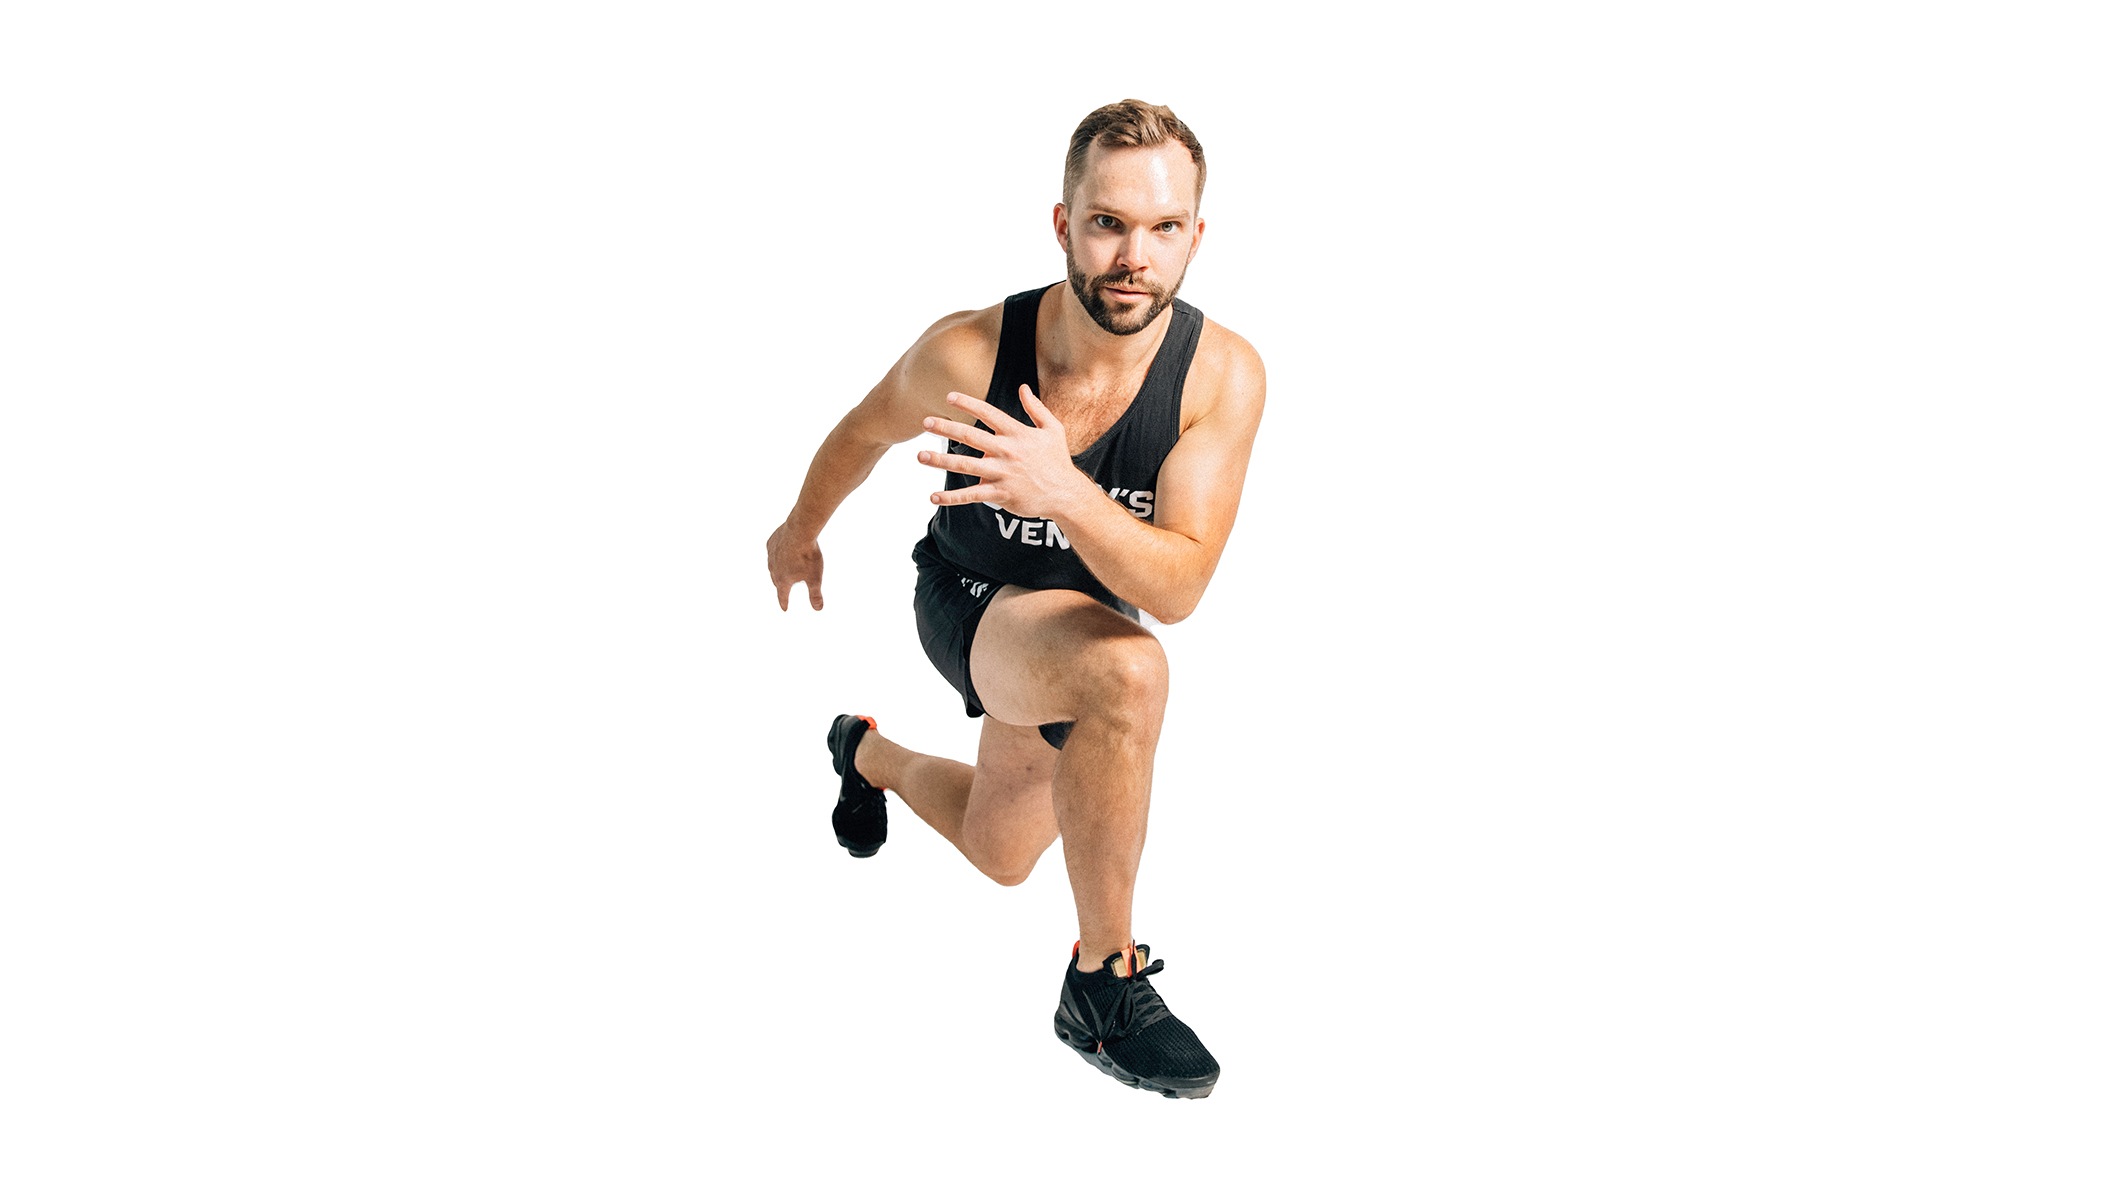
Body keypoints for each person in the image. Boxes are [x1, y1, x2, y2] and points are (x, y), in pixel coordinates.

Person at [765, 99, 1265, 1099]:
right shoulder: (968, 353)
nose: (1134, 256)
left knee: (999, 853)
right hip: (970, 592)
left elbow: (1178, 586)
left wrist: (1062, 492)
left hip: (1080, 617)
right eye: (1108, 223)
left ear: (1195, 237)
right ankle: (1103, 985)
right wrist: (798, 530)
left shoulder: (1220, 377)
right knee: (1127, 674)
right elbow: (863, 430)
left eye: (1163, 227)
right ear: (1064, 225)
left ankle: (862, 754)